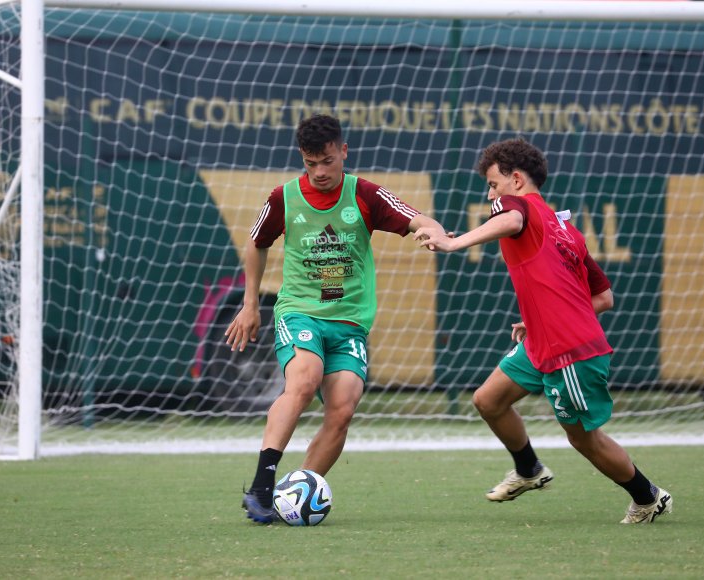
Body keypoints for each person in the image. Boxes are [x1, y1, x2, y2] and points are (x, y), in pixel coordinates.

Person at [414, 138, 672, 524]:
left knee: (583, 439)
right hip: (543, 339)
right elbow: (603, 297)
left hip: (569, 349)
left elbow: (511, 220)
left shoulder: (515, 206)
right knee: (489, 400)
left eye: (493, 183)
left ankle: (648, 497)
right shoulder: (566, 228)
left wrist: (453, 243)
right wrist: (543, 315)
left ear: (516, 179)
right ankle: (529, 469)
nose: (490, 194)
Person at [226, 114, 448, 523]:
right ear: (302, 159)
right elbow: (256, 244)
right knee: (305, 379)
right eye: (311, 163)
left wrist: (434, 232)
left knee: (342, 410)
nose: (321, 172)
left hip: (349, 322)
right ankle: (261, 486)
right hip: (300, 310)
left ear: (343, 152)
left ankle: (294, 494)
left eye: (328, 161)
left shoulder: (366, 195)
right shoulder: (283, 198)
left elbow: (417, 218)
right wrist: (251, 304)